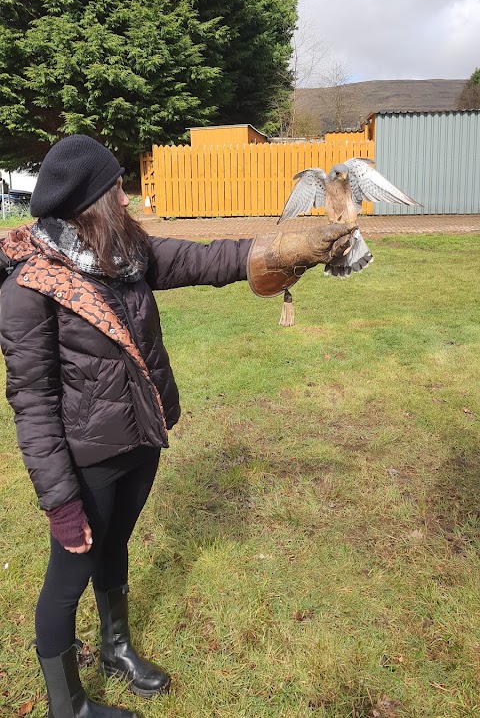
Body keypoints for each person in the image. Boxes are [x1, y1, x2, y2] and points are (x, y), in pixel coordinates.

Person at [0, 135, 355, 717]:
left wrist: (289, 249)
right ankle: (69, 708)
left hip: (141, 438)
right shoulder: (29, 287)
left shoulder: (124, 252)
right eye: (116, 186)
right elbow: (33, 406)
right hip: (85, 462)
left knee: (115, 546)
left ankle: (115, 646)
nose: (125, 194)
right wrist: (61, 502)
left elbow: (202, 258)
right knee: (67, 578)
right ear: (91, 201)